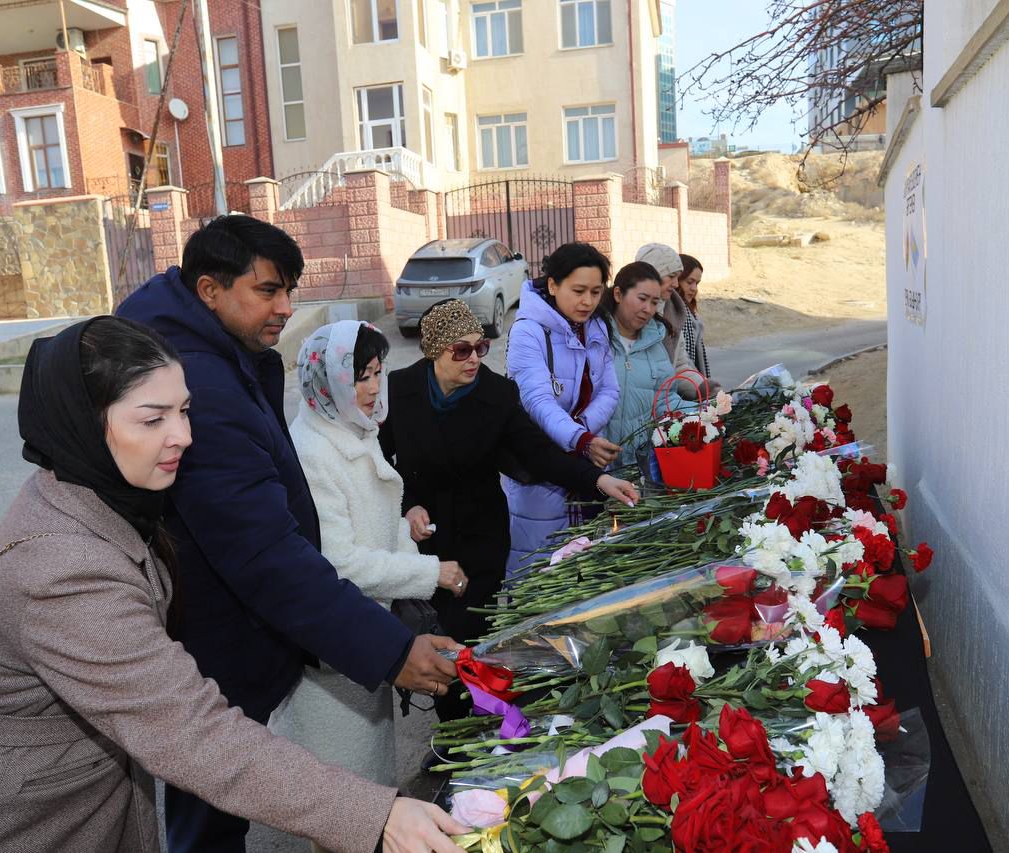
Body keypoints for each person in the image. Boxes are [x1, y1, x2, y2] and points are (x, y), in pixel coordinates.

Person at [0, 317, 466, 853]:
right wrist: (375, 814)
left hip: (78, 806)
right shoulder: (63, 575)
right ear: (85, 423)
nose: (184, 435)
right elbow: (192, 733)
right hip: (10, 828)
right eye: (152, 418)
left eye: (185, 411)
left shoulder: (101, 492)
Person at [116, 215, 460, 852]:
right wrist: (388, 649)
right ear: (209, 290)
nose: (285, 307)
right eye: (268, 290)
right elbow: (263, 551)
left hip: (226, 614)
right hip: (215, 625)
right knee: (211, 793)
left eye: (289, 290)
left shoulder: (220, 353)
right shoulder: (202, 381)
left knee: (213, 794)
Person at [379, 299, 639, 724]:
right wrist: (407, 506)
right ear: (433, 352)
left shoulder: (496, 394)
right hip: (423, 546)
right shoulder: (399, 390)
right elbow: (380, 462)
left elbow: (537, 454)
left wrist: (596, 480)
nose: (474, 360)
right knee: (432, 637)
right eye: (460, 351)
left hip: (479, 540)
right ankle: (457, 728)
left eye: (479, 347)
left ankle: (465, 732)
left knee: (465, 640)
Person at [272, 320, 469, 790]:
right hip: (333, 659)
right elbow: (340, 564)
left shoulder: (355, 430)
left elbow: (376, 524)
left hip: (365, 642)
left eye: (378, 372)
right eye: (360, 375)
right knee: (341, 796)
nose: (373, 387)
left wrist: (404, 531)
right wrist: (430, 572)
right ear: (328, 379)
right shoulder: (312, 453)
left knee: (368, 788)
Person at [503, 243, 622, 578]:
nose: (587, 301)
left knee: (585, 569)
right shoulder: (529, 331)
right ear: (553, 285)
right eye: (578, 291)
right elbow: (537, 402)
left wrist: (581, 432)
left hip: (584, 460)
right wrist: (580, 439)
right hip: (540, 470)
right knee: (540, 569)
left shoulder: (597, 326)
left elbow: (610, 390)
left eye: (596, 292)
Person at [601, 261, 691, 468]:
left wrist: (708, 409)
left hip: (637, 465)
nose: (648, 309)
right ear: (618, 294)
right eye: (642, 299)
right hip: (596, 465)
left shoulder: (655, 344)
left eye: (654, 302)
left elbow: (665, 402)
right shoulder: (595, 337)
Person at [634, 243, 720, 397]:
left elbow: (679, 365)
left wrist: (701, 387)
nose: (675, 284)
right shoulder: (626, 315)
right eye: (672, 276)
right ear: (654, 273)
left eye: (678, 278)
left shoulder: (673, 313)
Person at [677, 254, 711, 380]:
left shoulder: (691, 313)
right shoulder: (676, 313)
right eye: (689, 282)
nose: (694, 288)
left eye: (697, 283)